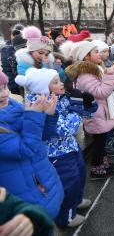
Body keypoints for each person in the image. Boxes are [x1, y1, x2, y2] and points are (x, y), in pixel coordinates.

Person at [17, 68, 94, 228]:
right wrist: (77, 111)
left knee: (79, 176)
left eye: (60, 80)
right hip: (56, 155)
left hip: (70, 147)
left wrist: (87, 106)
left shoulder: (57, 97)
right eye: (56, 82)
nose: (61, 84)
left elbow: (82, 115)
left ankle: (76, 202)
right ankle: (66, 218)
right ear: (43, 87)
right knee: (68, 185)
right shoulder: (40, 103)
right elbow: (66, 129)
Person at [0, 70, 64, 219]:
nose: (4, 94)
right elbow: (25, 149)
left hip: (41, 182)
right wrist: (34, 115)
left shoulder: (14, 107)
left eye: (4, 87)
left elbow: (42, 137)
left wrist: (47, 116)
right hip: (26, 195)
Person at [65, 41, 114, 179]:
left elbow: (109, 87)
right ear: (86, 57)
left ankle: (104, 164)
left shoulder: (95, 68)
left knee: (101, 141)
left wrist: (111, 74)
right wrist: (112, 75)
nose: (99, 54)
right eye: (95, 52)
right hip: (96, 113)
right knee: (99, 143)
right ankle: (97, 169)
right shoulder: (85, 75)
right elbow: (101, 92)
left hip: (100, 111)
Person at [1, 24, 26, 95]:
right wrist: (14, 87)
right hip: (18, 87)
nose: (16, 36)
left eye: (20, 34)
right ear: (11, 35)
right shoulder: (6, 50)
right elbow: (7, 69)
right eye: (14, 34)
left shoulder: (30, 47)